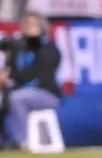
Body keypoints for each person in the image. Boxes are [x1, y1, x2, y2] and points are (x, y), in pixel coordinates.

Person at [0, 12, 62, 150]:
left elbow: (33, 75)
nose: (29, 28)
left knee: (17, 98)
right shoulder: (19, 47)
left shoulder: (48, 49)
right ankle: (4, 141)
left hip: (46, 93)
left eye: (33, 25)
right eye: (26, 25)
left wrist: (8, 75)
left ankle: (21, 141)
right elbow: (5, 45)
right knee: (7, 98)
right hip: (21, 90)